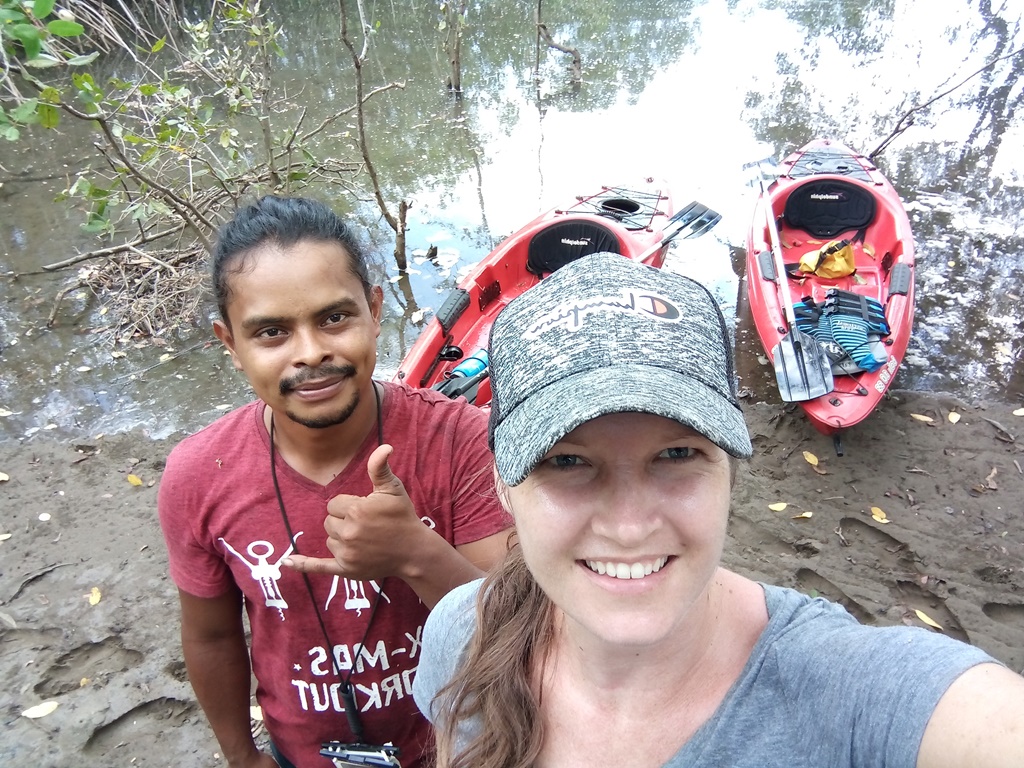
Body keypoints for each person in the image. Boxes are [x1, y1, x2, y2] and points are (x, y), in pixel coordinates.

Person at [412, 251, 1024, 768]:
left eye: (677, 453)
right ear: (503, 485)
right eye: (567, 461)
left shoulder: (853, 694)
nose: (629, 527)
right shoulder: (459, 635)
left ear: (730, 471)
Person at [157, 196, 510, 768]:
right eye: (272, 332)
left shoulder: (463, 443)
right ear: (231, 345)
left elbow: (517, 632)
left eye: (334, 318)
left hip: (459, 750)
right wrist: (242, 756)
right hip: (298, 754)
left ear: (375, 310)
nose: (311, 352)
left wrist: (416, 555)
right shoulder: (197, 474)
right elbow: (211, 637)